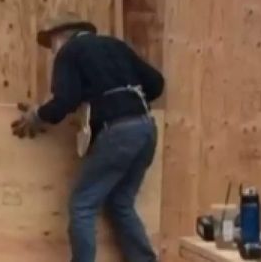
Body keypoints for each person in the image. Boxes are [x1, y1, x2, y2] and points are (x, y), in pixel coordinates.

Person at [10, 16, 164, 262]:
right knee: (120, 203)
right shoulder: (116, 46)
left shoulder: (69, 52)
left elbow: (65, 100)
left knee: (82, 205)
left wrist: (38, 115)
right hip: (146, 131)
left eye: (51, 45)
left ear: (61, 37)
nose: (52, 51)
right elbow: (156, 84)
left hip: (118, 134)